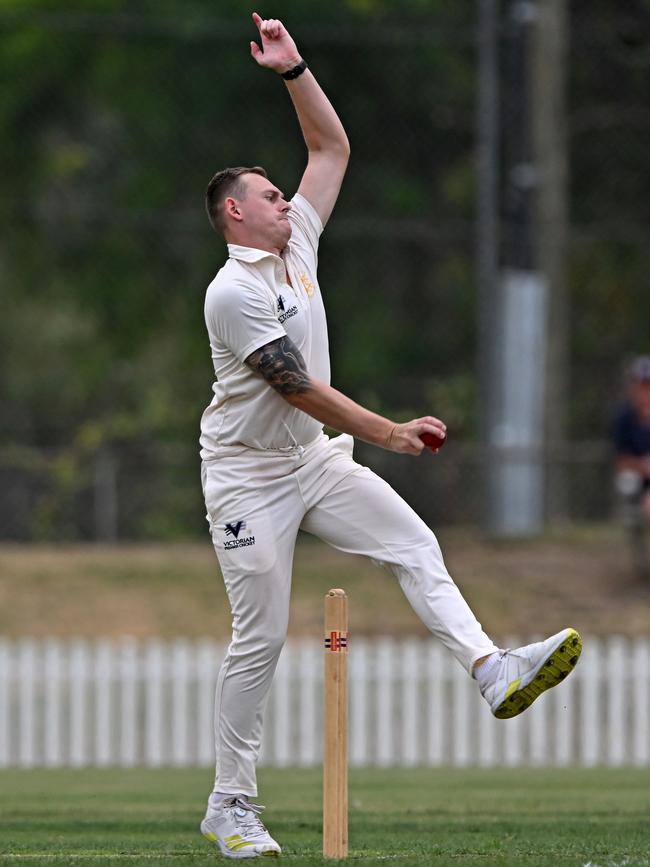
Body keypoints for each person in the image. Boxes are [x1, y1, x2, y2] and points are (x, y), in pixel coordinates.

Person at [198, 13, 582, 859]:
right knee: (258, 637)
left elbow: (331, 150)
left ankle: (493, 671)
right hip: (247, 476)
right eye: (267, 193)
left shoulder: (296, 240)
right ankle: (230, 803)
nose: (284, 200)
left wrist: (295, 70)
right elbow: (299, 389)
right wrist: (393, 433)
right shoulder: (232, 292)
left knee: (414, 541)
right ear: (235, 211)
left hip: (313, 462)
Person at [613, 355, 650, 527]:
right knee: (628, 481)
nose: (644, 391)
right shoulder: (624, 418)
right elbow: (621, 459)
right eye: (641, 385)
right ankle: (633, 508)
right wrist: (643, 465)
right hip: (639, 477)